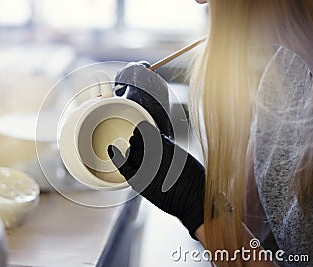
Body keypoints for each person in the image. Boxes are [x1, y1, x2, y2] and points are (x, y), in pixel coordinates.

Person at [108, 0, 313, 266]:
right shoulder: (285, 70)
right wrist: (196, 194)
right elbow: (249, 221)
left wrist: (198, 207)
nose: (199, 0)